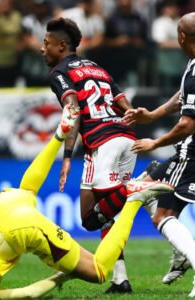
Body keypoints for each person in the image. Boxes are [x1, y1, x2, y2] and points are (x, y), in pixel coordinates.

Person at [0, 104, 173, 300]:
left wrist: (62, 278)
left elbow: (28, 294)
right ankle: (58, 134)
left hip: (19, 230)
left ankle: (133, 197)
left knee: (97, 271)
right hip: (1, 205)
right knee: (28, 188)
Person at [123, 12, 195, 297]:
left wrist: (154, 143)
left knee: (162, 215)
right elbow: (184, 97)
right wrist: (153, 114)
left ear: (181, 37)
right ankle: (181, 252)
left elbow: (187, 124)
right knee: (141, 186)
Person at [41, 17, 137, 293]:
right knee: (93, 215)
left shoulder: (59, 72)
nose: (41, 48)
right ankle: (120, 279)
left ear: (61, 46)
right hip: (124, 136)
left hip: (102, 141)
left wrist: (67, 154)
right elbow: (122, 102)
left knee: (100, 211)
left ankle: (141, 189)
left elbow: (72, 109)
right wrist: (128, 128)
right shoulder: (96, 67)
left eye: (46, 43)